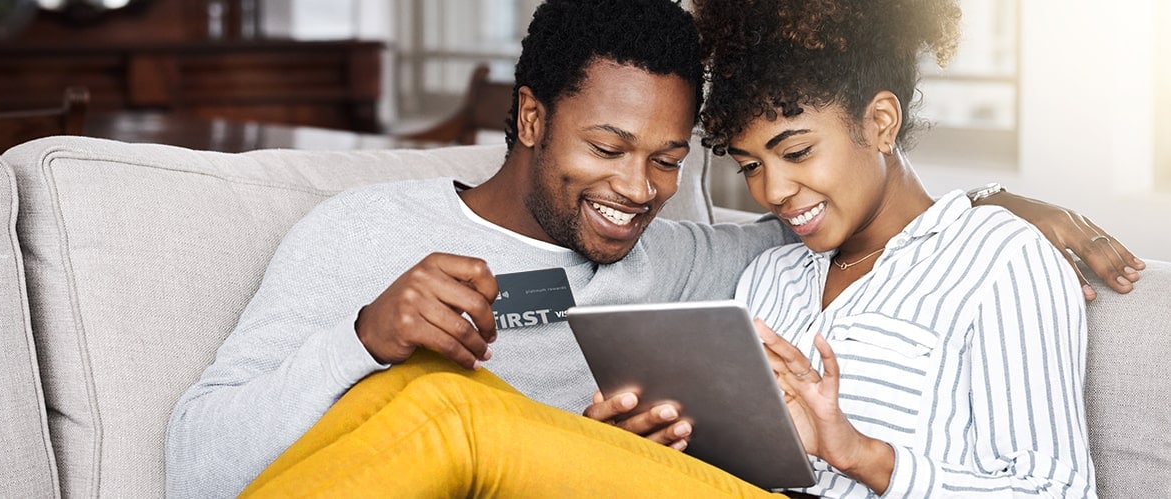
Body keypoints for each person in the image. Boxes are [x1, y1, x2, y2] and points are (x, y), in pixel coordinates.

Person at [165, 0, 1138, 496]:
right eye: (609, 147)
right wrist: (360, 340)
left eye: (669, 159)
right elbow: (192, 469)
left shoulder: (687, 256)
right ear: (533, 116)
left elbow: (861, 212)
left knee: (449, 408)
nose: (637, 189)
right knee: (403, 390)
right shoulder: (356, 237)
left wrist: (996, 202)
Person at [694, 0, 1096, 495]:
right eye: (750, 166)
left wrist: (864, 456)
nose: (772, 192)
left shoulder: (999, 258)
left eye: (797, 152)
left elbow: (1058, 489)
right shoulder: (769, 274)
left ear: (881, 122)